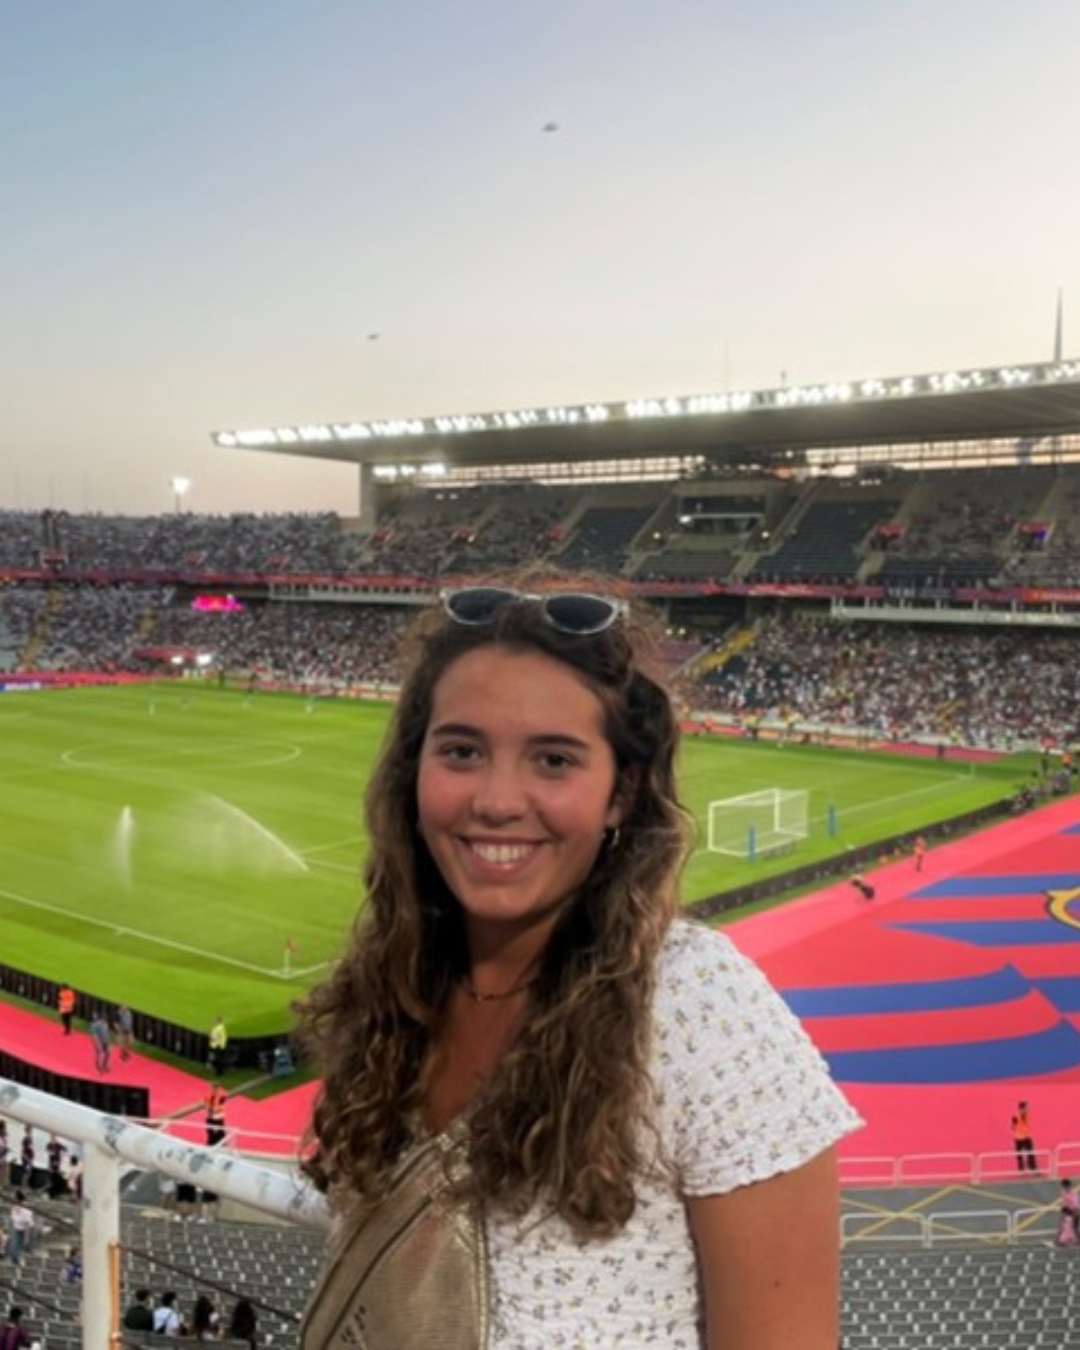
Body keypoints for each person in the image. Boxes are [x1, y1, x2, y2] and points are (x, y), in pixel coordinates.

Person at [297, 582, 861, 1350]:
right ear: (413, 769)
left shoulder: (700, 1010)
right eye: (461, 751)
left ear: (621, 794)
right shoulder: (396, 991)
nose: (497, 801)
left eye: (554, 760)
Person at [7, 1193, 34, 1266]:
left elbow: (27, 1225)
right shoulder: (13, 1209)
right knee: (14, 1246)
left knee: (26, 1246)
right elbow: (13, 1221)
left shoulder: (26, 1211)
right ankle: (15, 1261)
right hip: (17, 1229)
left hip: (27, 1229)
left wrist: (26, 1238)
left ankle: (28, 1260)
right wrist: (11, 1233)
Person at [1012, 1100, 1037, 1173]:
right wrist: (1017, 1130)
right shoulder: (1015, 1116)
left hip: (1027, 1137)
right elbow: (1012, 1127)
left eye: (1027, 1108)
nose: (1028, 1109)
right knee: (1019, 1155)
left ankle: (1032, 1167)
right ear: (1021, 1109)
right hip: (1019, 1138)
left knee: (1031, 1153)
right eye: (1026, 1108)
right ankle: (1021, 1168)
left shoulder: (1028, 1115)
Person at [1056, 1179, 1080, 1247]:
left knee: (1072, 1227)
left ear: (1068, 1186)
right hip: (1068, 1212)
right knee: (1066, 1226)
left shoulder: (1074, 1195)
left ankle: (1064, 1240)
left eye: (1065, 1187)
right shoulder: (1064, 1193)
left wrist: (1075, 1213)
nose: (1064, 1188)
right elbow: (1064, 1204)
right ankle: (1059, 1240)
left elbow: (1076, 1206)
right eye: (1063, 1187)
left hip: (1072, 1213)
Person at [204, 1081, 227, 1147]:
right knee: (211, 1130)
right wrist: (208, 1109)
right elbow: (206, 1103)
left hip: (217, 1115)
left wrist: (212, 1110)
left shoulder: (222, 1095)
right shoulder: (209, 1095)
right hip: (211, 1115)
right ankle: (213, 1142)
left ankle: (215, 1143)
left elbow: (220, 1105)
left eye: (213, 1087)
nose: (211, 1089)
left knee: (218, 1130)